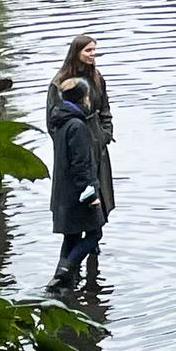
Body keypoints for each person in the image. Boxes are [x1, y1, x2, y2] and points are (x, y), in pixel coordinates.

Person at [47, 35, 115, 248]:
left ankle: (93, 262)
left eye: (94, 50)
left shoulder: (97, 78)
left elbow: (105, 111)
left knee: (97, 208)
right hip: (74, 151)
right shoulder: (58, 83)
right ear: (76, 52)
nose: (92, 55)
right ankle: (69, 270)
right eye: (88, 51)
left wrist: (104, 135)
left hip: (97, 149)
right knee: (75, 216)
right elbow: (53, 122)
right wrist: (69, 147)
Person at [46, 78, 105, 292]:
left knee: (71, 237)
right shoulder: (77, 125)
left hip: (62, 193)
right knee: (94, 234)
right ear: (84, 98)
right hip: (78, 194)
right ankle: (63, 276)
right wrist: (91, 195)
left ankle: (61, 285)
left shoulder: (60, 122)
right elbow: (81, 164)